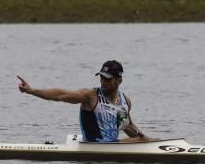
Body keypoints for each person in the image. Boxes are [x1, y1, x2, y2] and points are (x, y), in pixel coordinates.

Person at [16, 60, 151, 142]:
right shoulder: (90, 96)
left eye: (108, 79)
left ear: (119, 80)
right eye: (101, 77)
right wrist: (31, 90)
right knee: (138, 141)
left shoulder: (124, 102)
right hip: (94, 148)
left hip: (113, 148)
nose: (103, 82)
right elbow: (60, 95)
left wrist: (146, 140)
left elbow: (127, 127)